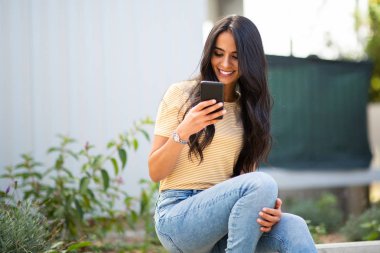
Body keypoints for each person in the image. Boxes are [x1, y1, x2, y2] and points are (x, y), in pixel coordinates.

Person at [148, 15, 317, 253]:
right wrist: (185, 129)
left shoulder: (248, 111)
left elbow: (246, 182)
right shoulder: (180, 94)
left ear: (249, 60)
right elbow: (155, 171)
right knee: (263, 183)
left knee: (293, 225)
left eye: (235, 56)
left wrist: (267, 208)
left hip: (227, 224)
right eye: (218, 53)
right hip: (177, 219)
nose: (225, 63)